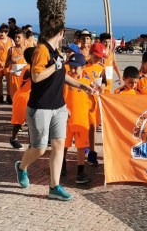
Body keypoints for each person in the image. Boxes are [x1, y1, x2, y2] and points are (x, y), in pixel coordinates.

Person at [14, 16, 96, 201]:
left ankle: (54, 186)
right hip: (40, 107)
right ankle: (21, 167)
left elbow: (61, 74)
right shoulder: (41, 50)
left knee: (59, 144)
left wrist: (81, 85)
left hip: (58, 106)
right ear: (61, 32)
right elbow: (36, 76)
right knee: (39, 149)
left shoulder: (57, 51)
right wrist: (55, 66)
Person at [62, 52, 96, 184]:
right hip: (66, 120)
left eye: (75, 68)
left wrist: (93, 103)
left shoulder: (88, 83)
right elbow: (60, 96)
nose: (72, 70)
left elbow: (92, 103)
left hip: (81, 121)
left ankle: (80, 172)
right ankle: (62, 164)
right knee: (64, 144)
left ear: (83, 67)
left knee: (81, 147)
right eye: (71, 67)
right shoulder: (65, 81)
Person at [83, 42, 107, 166]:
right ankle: (87, 149)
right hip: (83, 101)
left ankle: (90, 151)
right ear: (90, 53)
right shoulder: (83, 66)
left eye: (100, 57)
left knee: (93, 126)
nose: (98, 59)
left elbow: (104, 81)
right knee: (85, 126)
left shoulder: (101, 67)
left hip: (95, 101)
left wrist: (102, 86)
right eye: (96, 57)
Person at [10, 47, 35, 149]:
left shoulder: (32, 67)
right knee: (18, 121)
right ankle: (13, 138)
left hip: (29, 97)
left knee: (31, 121)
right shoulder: (29, 69)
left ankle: (32, 143)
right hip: (22, 98)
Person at [0, 24, 14, 104]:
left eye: (3, 32)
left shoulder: (11, 40)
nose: (1, 34)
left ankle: (9, 96)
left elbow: (14, 51)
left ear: (7, 33)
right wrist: (0, 63)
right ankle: (1, 96)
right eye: (0, 32)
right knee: (0, 80)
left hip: (7, 63)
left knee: (9, 81)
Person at [6, 30, 28, 103]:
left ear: (24, 39)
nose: (16, 39)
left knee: (25, 98)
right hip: (14, 77)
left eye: (19, 37)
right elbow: (6, 65)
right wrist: (11, 62)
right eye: (15, 37)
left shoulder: (28, 50)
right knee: (15, 99)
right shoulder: (11, 49)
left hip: (25, 78)